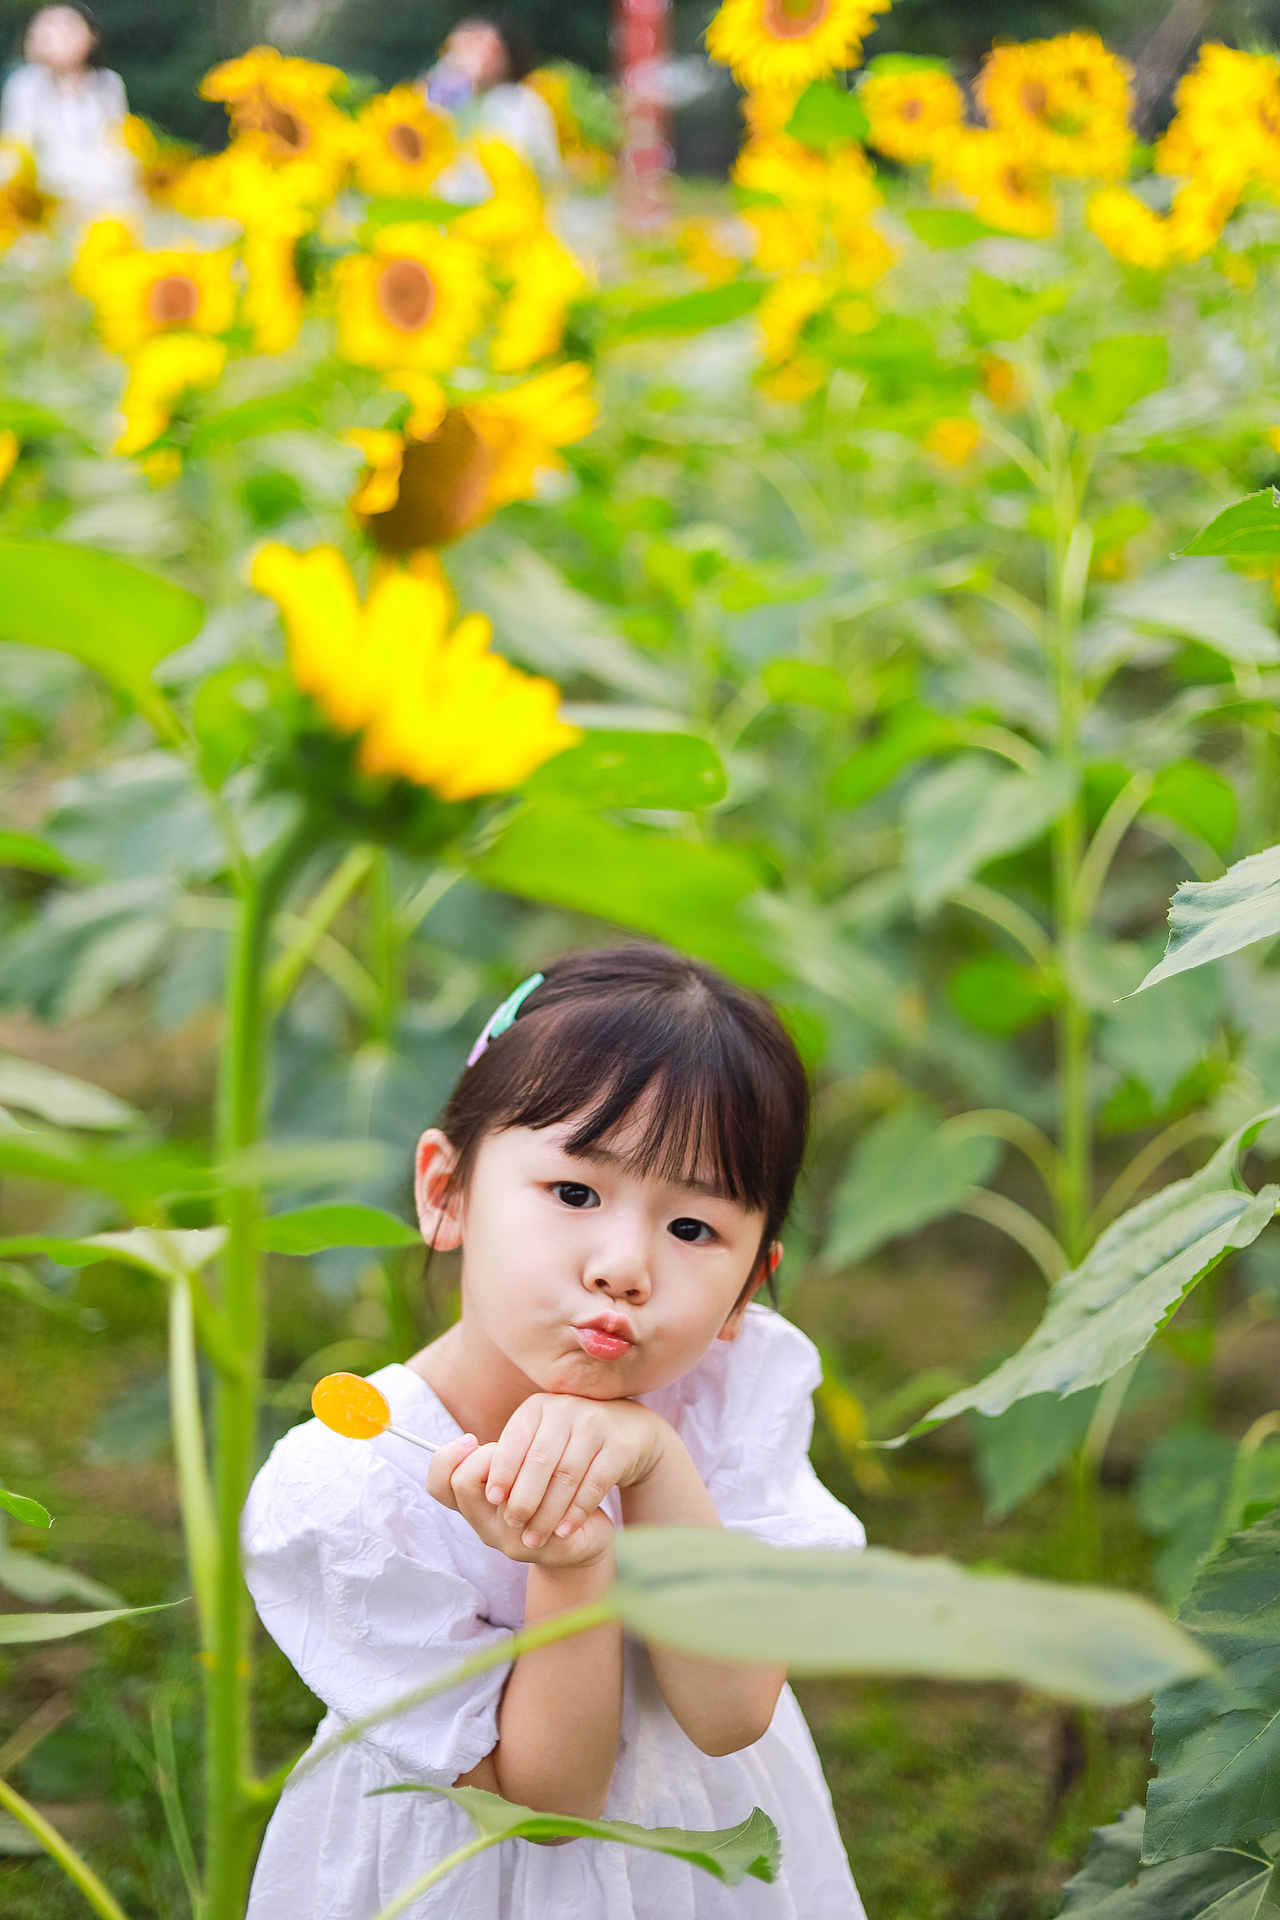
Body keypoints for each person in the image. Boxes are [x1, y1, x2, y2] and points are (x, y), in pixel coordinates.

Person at [243, 945, 867, 1919]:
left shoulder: (719, 1401)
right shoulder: (354, 1479)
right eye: (575, 1193)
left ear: (750, 1283)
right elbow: (547, 1808)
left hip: (698, 1859)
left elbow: (728, 1710)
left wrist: (653, 1463)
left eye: (692, 1229)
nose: (623, 1266)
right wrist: (571, 1562)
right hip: (461, 1871)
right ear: (444, 1191)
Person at [0, 4, 138, 215]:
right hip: (44, 198)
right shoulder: (24, 85)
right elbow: (16, 148)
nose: (55, 36)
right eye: (46, 29)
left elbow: (120, 148)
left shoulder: (107, 84)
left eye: (67, 28)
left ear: (92, 37)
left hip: (104, 197)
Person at [423, 11, 560, 189]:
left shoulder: (521, 102)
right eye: (469, 43)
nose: (479, 53)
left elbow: (544, 172)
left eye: (490, 46)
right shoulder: (439, 98)